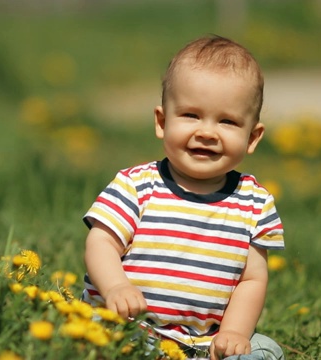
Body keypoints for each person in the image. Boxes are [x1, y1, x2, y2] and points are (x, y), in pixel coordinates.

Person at [82, 35, 285, 360]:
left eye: (227, 121)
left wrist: (233, 333)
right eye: (191, 115)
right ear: (162, 122)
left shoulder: (255, 204)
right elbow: (101, 243)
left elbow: (252, 280)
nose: (206, 132)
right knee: (98, 333)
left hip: (203, 345)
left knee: (265, 350)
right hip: (130, 327)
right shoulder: (136, 186)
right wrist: (116, 287)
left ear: (252, 137)